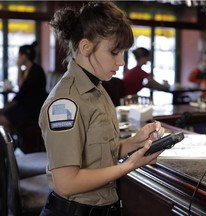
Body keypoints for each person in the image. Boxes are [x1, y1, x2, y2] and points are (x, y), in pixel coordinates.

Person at [39, 2, 165, 216]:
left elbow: (99, 154)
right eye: (114, 52)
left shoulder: (97, 88)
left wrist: (135, 142)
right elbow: (66, 184)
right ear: (86, 47)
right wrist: (128, 166)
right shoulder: (65, 102)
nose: (121, 62)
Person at [0, 41, 47, 132]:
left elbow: (21, 91)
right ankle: (11, 143)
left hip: (32, 109)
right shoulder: (27, 70)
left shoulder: (36, 71)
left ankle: (10, 144)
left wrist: (18, 67)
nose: (18, 58)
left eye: (19, 55)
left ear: (24, 56)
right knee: (5, 115)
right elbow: (21, 91)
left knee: (3, 117)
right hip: (26, 106)